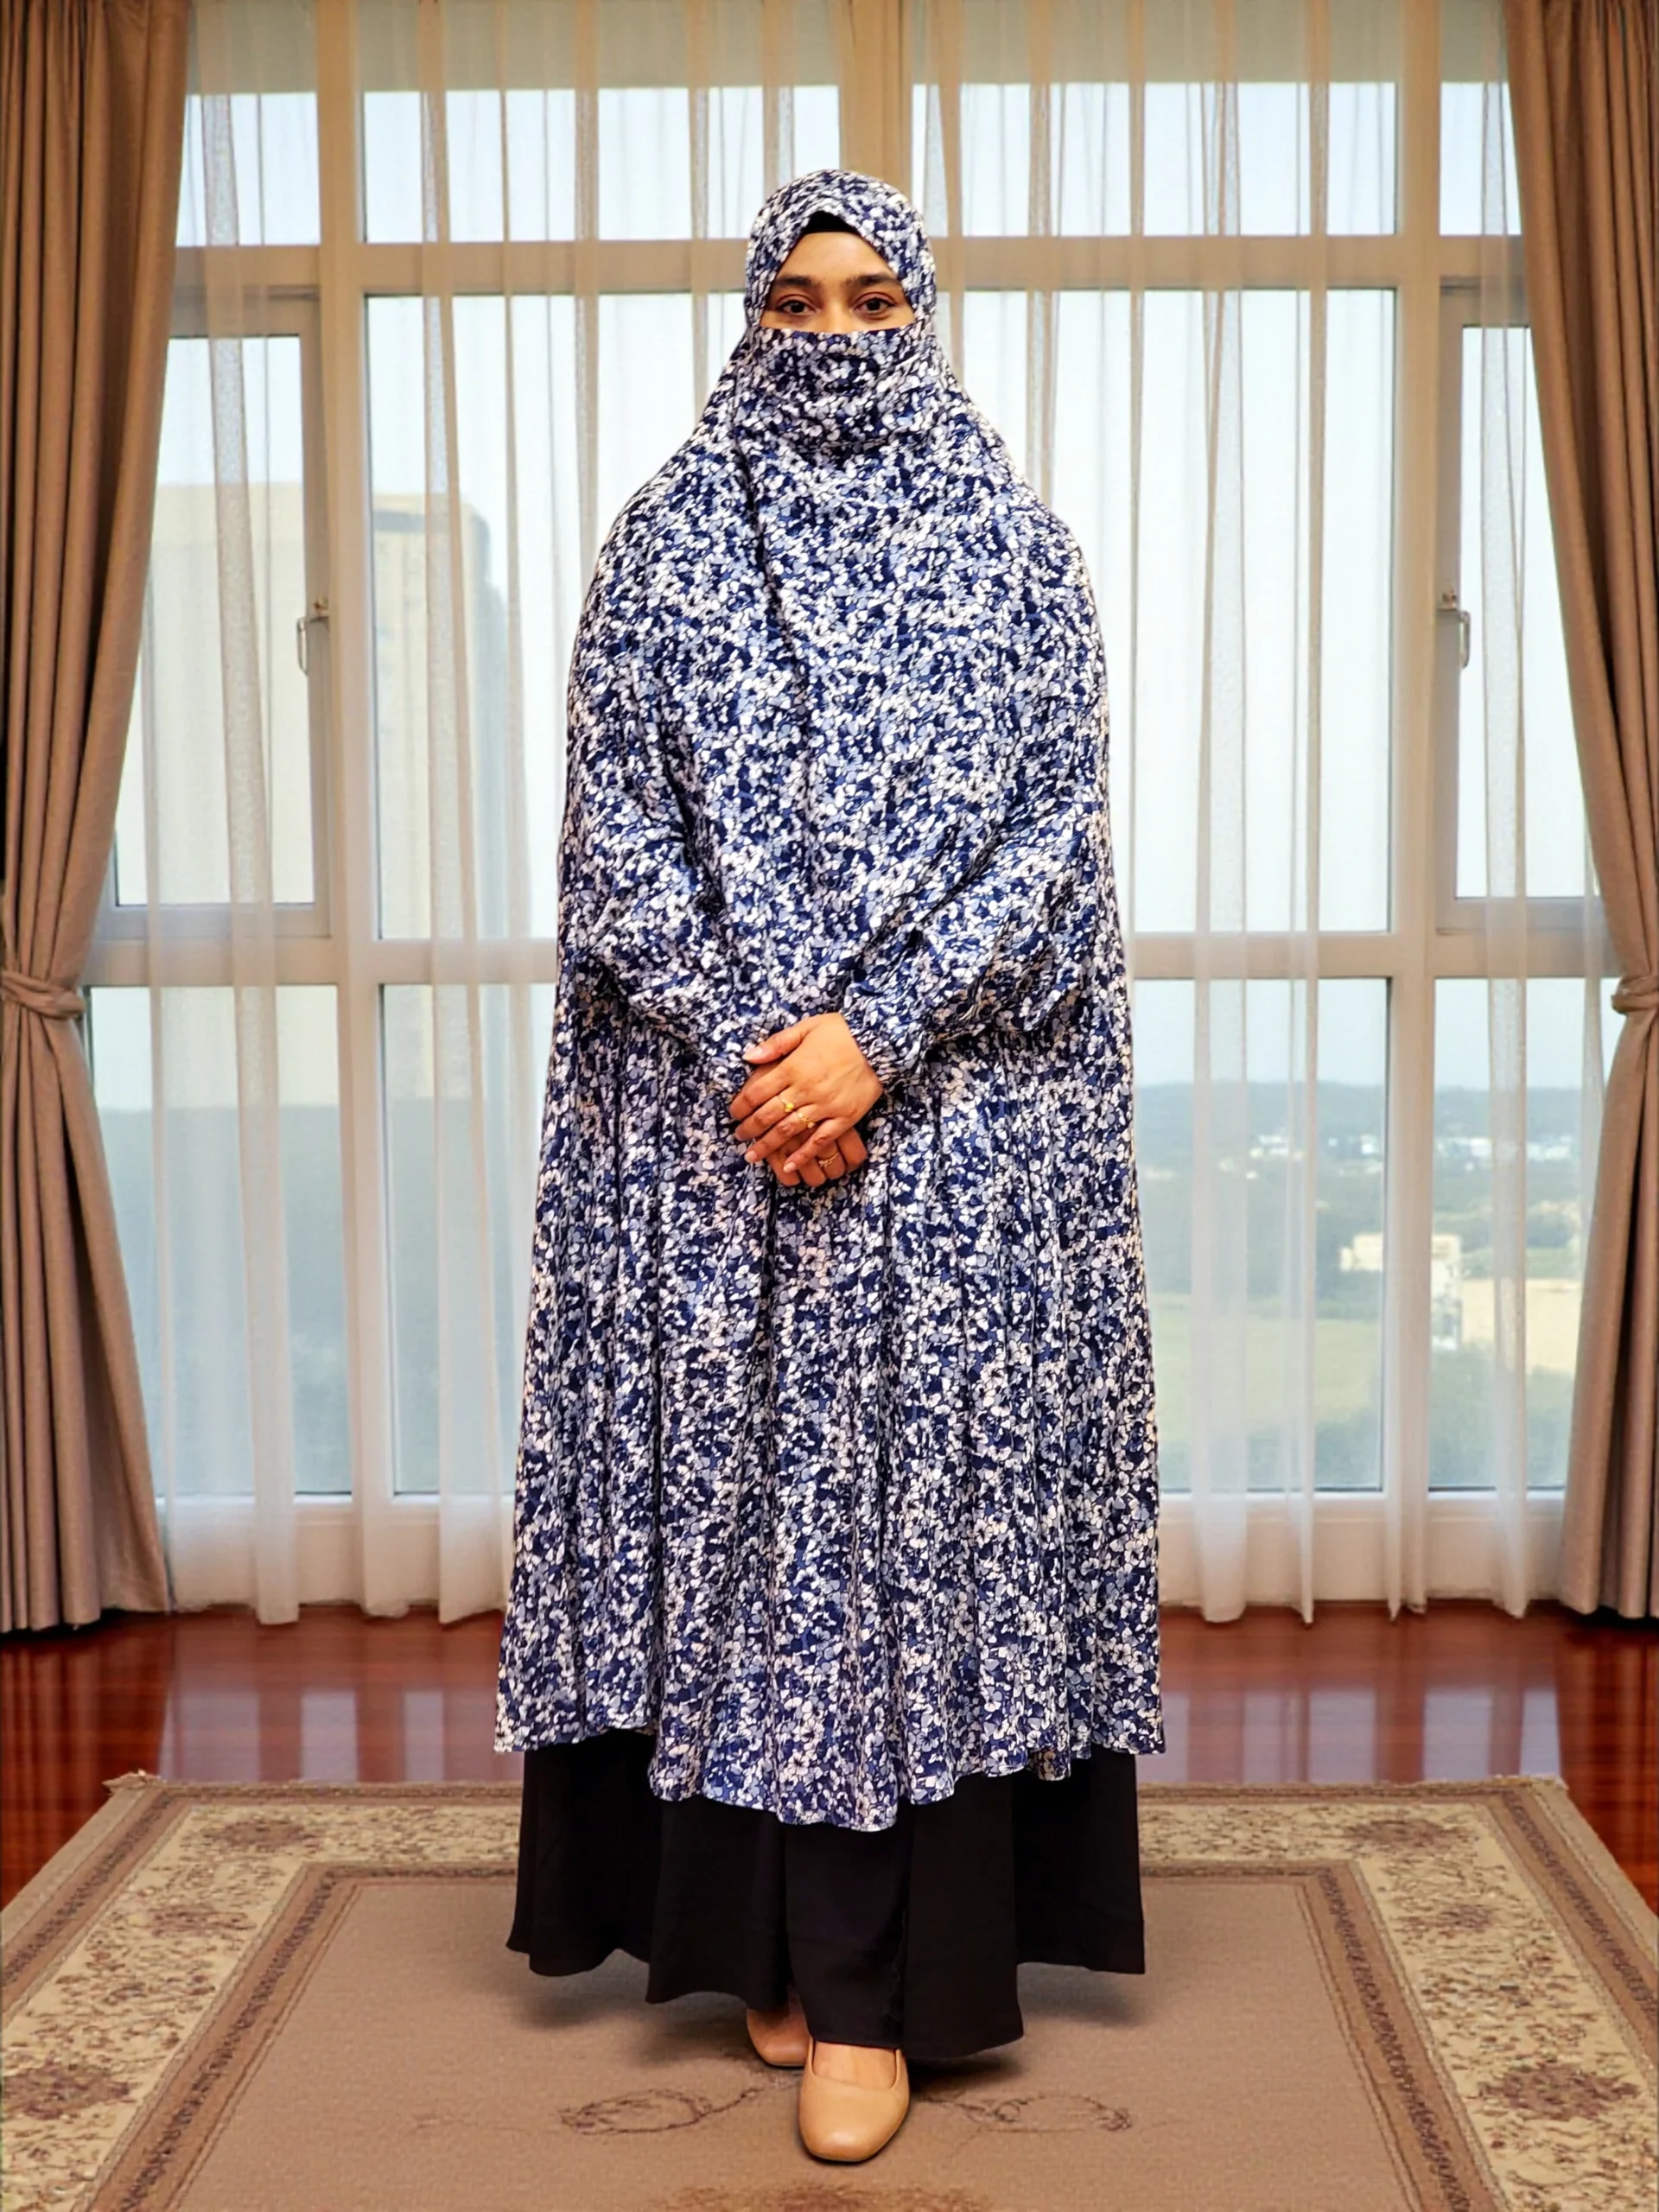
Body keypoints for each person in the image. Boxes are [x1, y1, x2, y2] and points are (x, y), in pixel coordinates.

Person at [496, 167, 1161, 2167]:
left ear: (924, 316)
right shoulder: (666, 538)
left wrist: (876, 1034)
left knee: (893, 1541)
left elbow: (1054, 844)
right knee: (746, 1532)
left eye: (876, 300)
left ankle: (878, 1984)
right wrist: (762, 1052)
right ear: (749, 319)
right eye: (797, 303)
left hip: (946, 1134)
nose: (838, 336)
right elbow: (616, 838)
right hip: (723, 1141)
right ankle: (762, 1935)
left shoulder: (1018, 550)